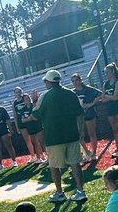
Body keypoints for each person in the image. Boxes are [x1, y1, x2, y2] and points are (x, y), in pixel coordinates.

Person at [32, 70, 87, 204]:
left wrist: (35, 104)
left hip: (54, 137)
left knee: (54, 166)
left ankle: (60, 193)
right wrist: (81, 130)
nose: (45, 83)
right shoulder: (71, 93)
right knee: (75, 163)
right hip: (72, 134)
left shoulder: (46, 96)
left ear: (49, 82)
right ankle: (80, 191)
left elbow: (36, 115)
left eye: (45, 81)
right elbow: (80, 113)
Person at [70, 73, 102, 163]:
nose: (75, 83)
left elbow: (100, 94)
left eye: (76, 80)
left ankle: (94, 153)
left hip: (90, 113)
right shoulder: (72, 92)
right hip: (78, 116)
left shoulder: (88, 89)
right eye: (73, 81)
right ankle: (86, 152)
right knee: (80, 135)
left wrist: (92, 103)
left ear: (80, 80)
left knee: (92, 133)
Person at [12, 86, 44, 161]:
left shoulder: (26, 98)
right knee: (28, 140)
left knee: (37, 140)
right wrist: (17, 127)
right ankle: (33, 156)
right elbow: (15, 115)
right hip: (22, 122)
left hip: (31, 122)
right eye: (16, 92)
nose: (18, 93)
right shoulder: (14, 103)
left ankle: (41, 155)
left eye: (19, 91)